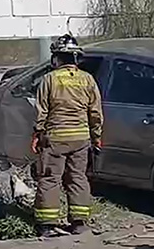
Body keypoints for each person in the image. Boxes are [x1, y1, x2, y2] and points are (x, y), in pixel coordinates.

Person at [31, 34, 104, 236]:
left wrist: (37, 133)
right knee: (78, 177)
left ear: (56, 58)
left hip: (55, 139)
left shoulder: (49, 79)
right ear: (75, 58)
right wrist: (96, 136)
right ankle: (79, 223)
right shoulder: (87, 80)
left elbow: (42, 111)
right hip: (81, 139)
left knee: (49, 178)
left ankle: (47, 224)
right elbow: (95, 112)